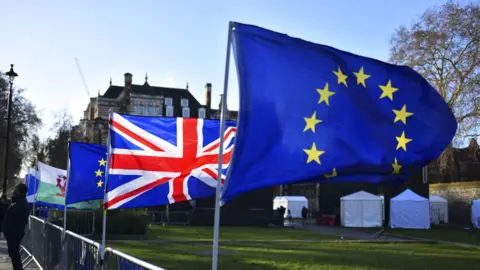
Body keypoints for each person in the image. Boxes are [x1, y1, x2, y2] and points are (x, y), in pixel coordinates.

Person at [2, 183, 30, 270]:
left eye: (16, 189)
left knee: (14, 254)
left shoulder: (21, 204)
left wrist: (8, 230)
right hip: (12, 232)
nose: (14, 190)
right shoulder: (17, 201)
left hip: (15, 233)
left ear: (20, 191)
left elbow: (15, 217)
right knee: (13, 253)